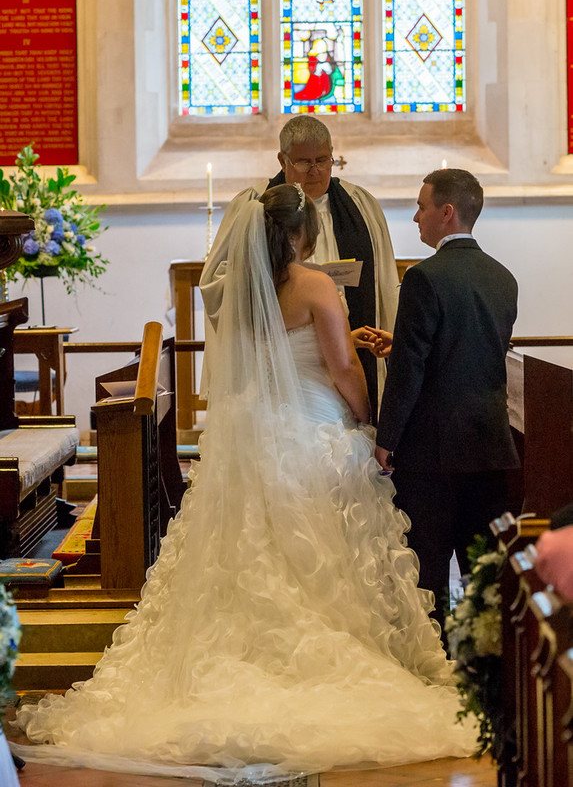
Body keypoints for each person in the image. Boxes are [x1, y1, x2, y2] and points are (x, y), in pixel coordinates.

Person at [13, 184, 476, 782]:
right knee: (326, 552)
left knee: (238, 556)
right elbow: (340, 369)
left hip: (251, 433)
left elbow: (266, 357)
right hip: (310, 432)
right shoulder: (318, 285)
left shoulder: (233, 293)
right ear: (297, 234)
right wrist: (366, 419)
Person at [375, 169, 520, 632]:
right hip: (491, 443)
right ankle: (487, 667)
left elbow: (410, 372)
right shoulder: (503, 277)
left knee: (429, 567)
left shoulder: (424, 278)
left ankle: (435, 657)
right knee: (485, 568)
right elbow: (474, 349)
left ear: (446, 211)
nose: (415, 216)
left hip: (433, 450)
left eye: (421, 206)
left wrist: (386, 438)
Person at [200, 115, 399, 421]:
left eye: (323, 159)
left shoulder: (361, 204)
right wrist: (282, 284)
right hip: (280, 377)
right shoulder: (254, 206)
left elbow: (383, 281)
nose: (316, 170)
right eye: (304, 161)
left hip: (344, 355)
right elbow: (216, 282)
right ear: (283, 160)